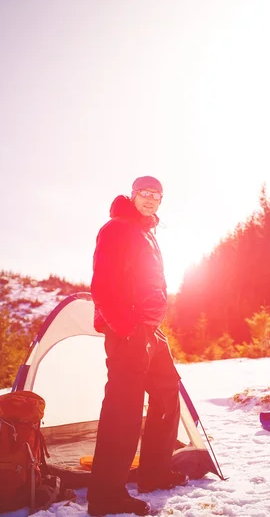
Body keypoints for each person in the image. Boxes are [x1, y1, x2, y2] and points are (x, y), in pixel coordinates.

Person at [87, 176, 188, 517]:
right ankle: (105, 496)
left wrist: (149, 326)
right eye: (144, 193)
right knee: (124, 409)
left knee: (166, 391)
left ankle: (154, 472)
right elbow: (102, 284)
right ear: (132, 196)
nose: (149, 199)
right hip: (128, 330)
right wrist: (127, 328)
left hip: (149, 330)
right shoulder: (117, 228)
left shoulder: (146, 233)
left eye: (156, 195)